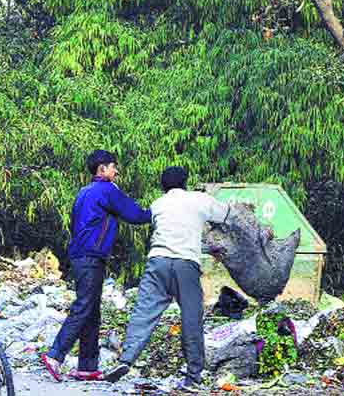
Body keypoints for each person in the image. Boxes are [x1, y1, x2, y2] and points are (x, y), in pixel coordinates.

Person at [104, 166, 230, 393]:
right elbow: (226, 214)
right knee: (191, 317)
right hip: (186, 265)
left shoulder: (158, 203)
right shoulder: (200, 199)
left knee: (143, 313)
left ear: (163, 185)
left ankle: (125, 360)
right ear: (186, 182)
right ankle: (193, 376)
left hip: (158, 262)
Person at [42, 150, 151, 382]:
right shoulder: (108, 190)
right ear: (102, 169)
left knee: (91, 310)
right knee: (84, 306)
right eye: (113, 167)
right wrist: (159, 211)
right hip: (92, 255)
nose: (116, 171)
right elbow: (135, 215)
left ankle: (87, 366)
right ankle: (55, 355)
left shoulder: (83, 192)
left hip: (81, 255)